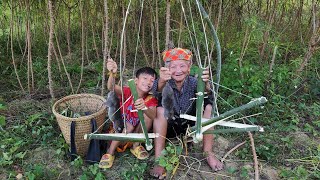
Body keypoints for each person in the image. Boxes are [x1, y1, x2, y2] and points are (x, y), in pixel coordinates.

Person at [150, 48, 224, 178]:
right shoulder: (163, 81)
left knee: (208, 108)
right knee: (160, 110)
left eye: (182, 66)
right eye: (173, 66)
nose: (178, 70)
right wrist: (162, 80)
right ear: (167, 69)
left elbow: (208, 93)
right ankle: (159, 159)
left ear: (189, 67)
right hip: (169, 128)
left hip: (191, 128)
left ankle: (208, 152)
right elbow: (156, 91)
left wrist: (205, 83)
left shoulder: (194, 82)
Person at [99, 58, 158, 169]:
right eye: (145, 78)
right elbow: (111, 87)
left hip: (138, 132)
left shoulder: (150, 99)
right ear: (136, 80)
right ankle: (110, 152)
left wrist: (144, 107)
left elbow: (153, 115)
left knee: (148, 117)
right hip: (121, 128)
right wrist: (112, 73)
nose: (148, 82)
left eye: (152, 80)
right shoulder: (128, 91)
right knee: (129, 126)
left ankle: (136, 145)